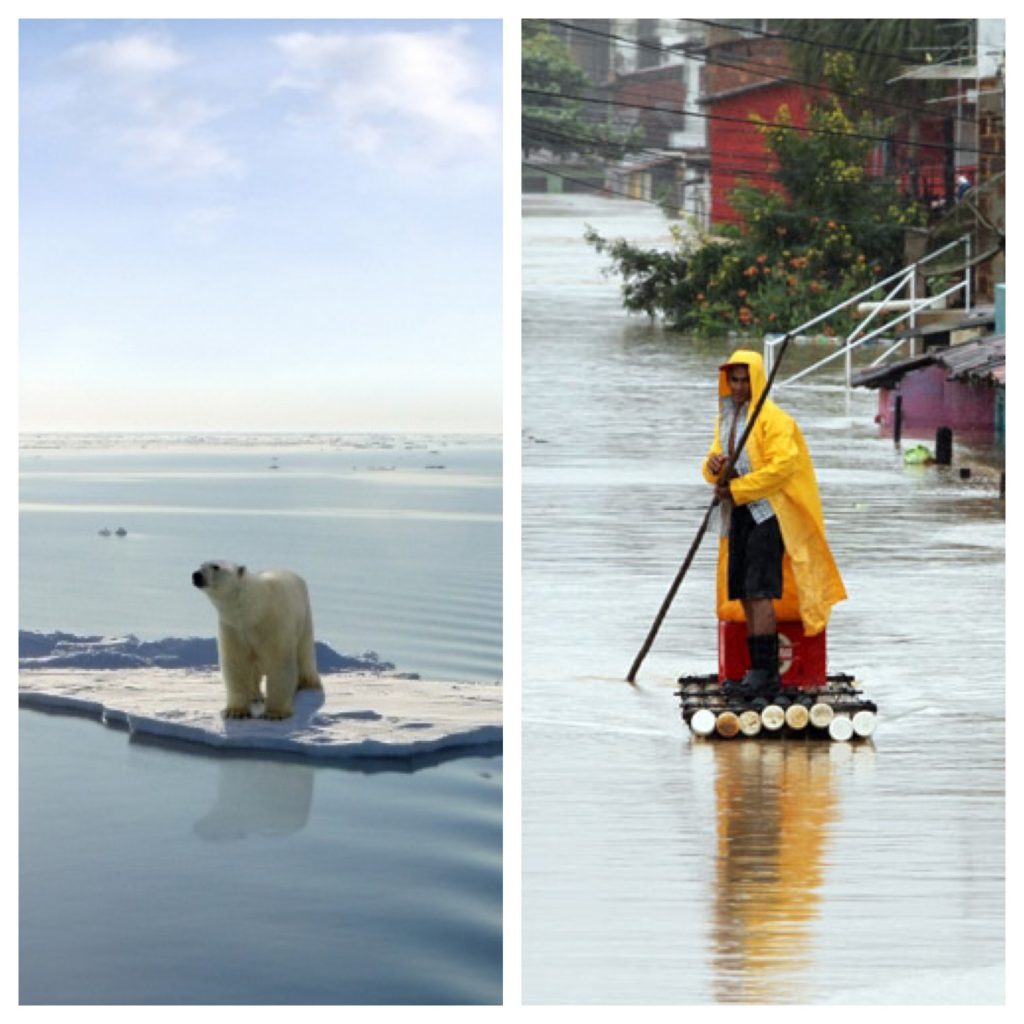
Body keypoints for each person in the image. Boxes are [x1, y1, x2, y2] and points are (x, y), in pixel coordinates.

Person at [702, 350, 847, 700]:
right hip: (739, 513)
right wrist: (715, 467)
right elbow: (711, 465)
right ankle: (755, 670)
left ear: (757, 381)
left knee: (760, 591)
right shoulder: (728, 419)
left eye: (745, 380)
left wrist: (736, 488)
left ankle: (767, 675)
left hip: (768, 515)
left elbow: (782, 470)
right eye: (733, 380)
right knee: (744, 592)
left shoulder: (775, 421)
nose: (738, 387)